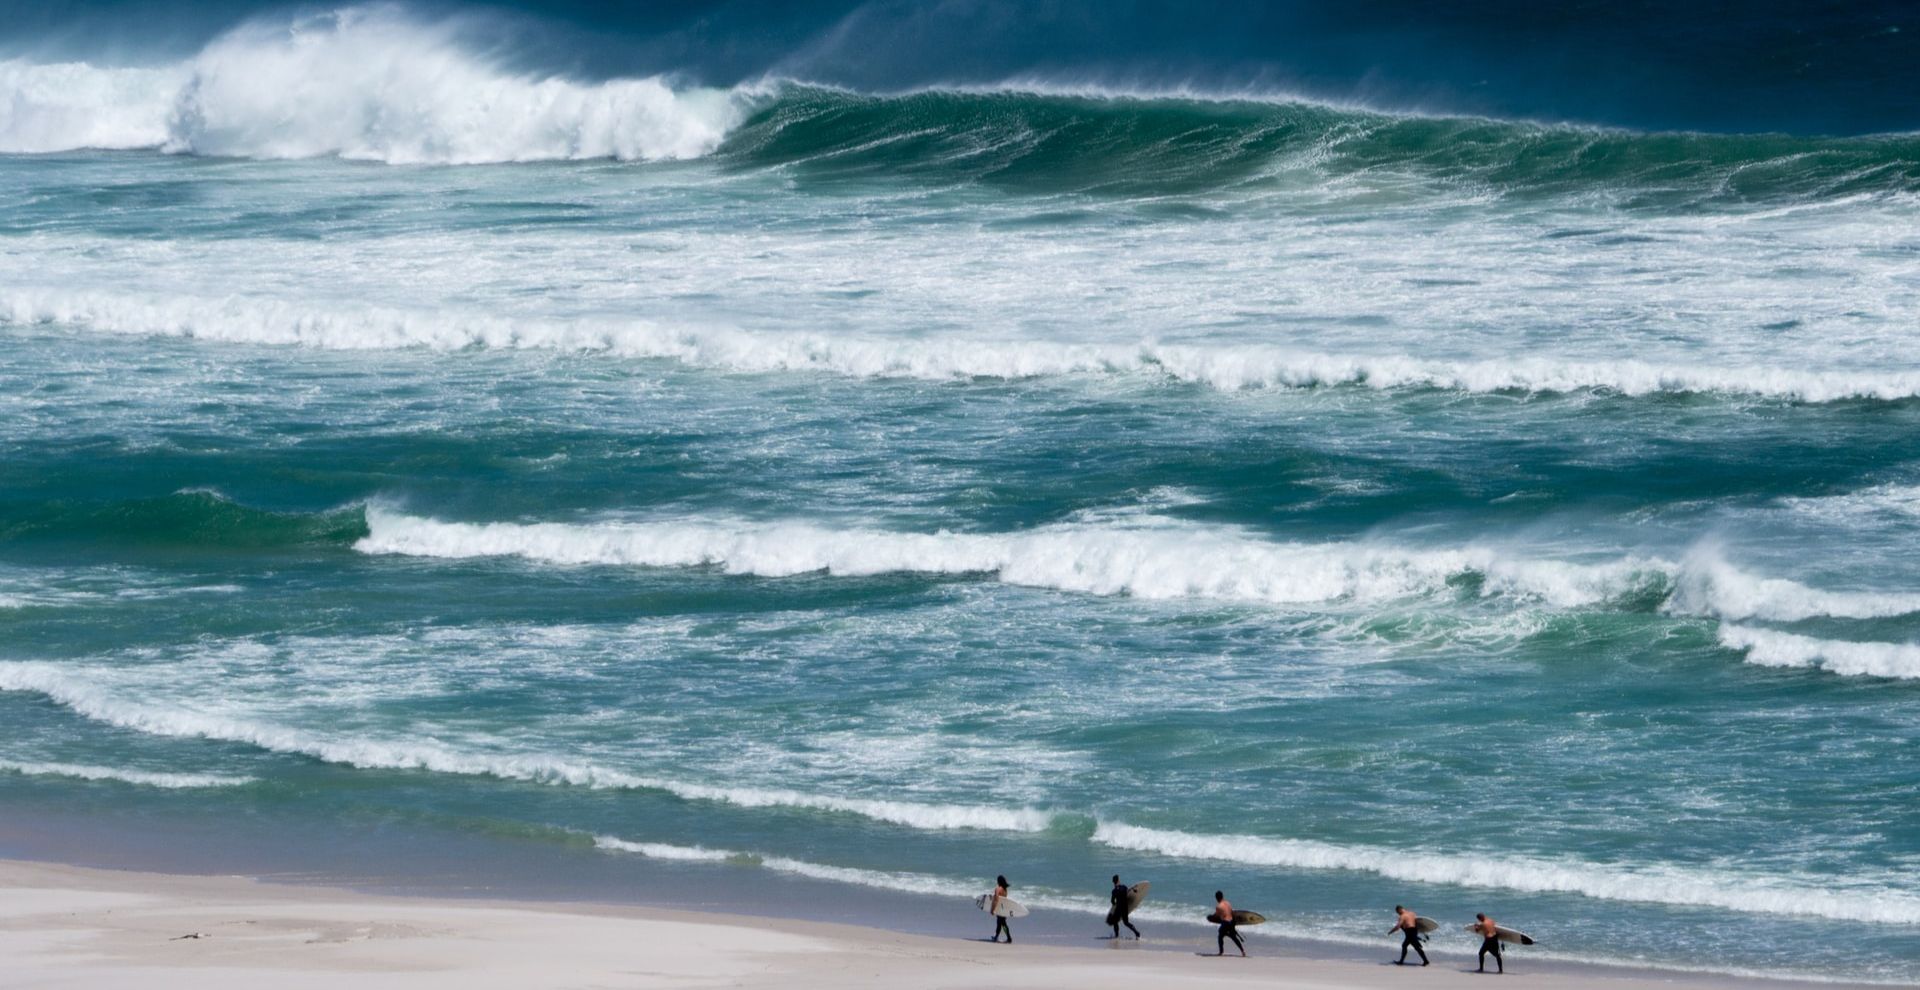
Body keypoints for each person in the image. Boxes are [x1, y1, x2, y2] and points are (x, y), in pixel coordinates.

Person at [1108, 874, 1141, 939]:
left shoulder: (1114, 891)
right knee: (1126, 923)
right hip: (1125, 908)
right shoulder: (1123, 887)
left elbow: (1112, 901)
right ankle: (1137, 932)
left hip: (1119, 908)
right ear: (1118, 880)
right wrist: (1134, 889)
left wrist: (1114, 906)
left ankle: (1116, 936)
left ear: (1113, 882)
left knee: (1115, 922)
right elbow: (1128, 892)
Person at [1213, 890, 1245, 957]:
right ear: (1222, 896)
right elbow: (1232, 913)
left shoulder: (1218, 906)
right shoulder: (1228, 903)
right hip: (1232, 921)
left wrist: (1211, 917)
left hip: (1225, 923)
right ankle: (1242, 951)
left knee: (1220, 935)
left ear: (1216, 898)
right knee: (1234, 938)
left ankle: (1221, 952)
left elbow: (1216, 916)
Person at [989, 875, 1012, 943]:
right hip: (1003, 909)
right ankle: (996, 936)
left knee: (1003, 924)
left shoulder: (998, 889)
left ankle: (1009, 938)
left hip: (999, 909)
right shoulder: (1005, 890)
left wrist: (992, 909)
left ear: (998, 881)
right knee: (1000, 923)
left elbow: (996, 899)